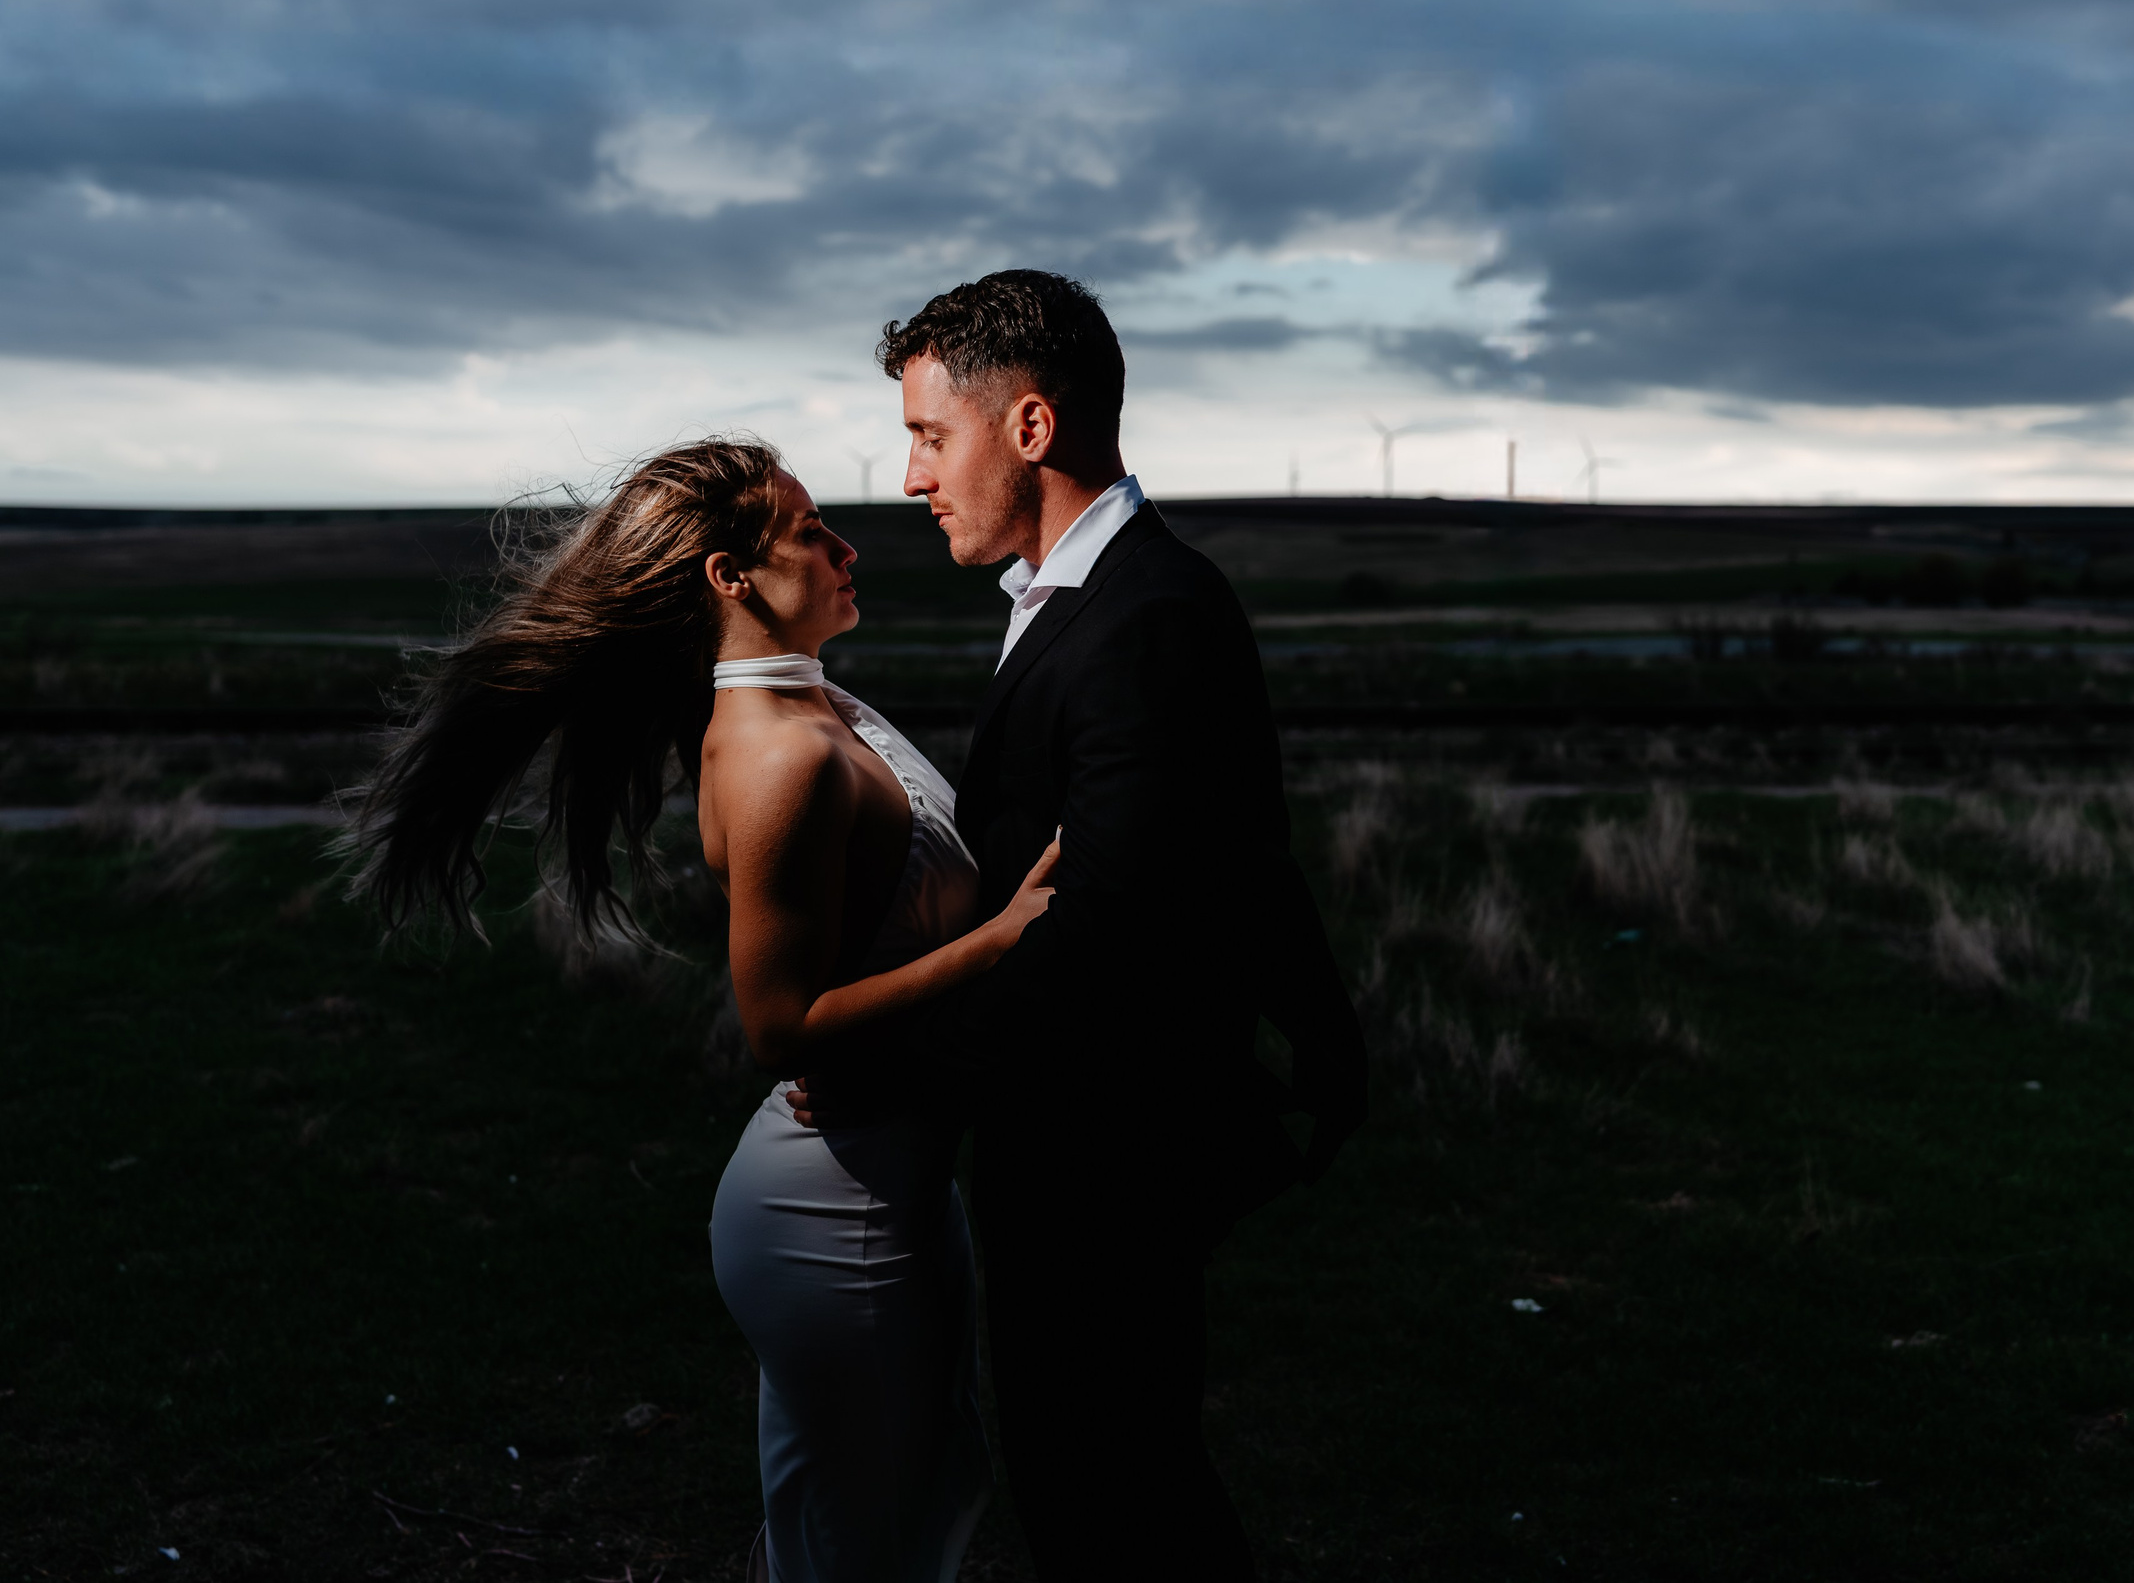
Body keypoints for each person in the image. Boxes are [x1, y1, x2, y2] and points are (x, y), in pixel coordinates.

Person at [345, 436, 1047, 1582]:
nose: (847, 543)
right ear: (731, 578)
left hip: (885, 1181)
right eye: (812, 530)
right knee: (866, 1541)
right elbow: (776, 1023)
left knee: (886, 1513)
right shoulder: (777, 757)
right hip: (838, 1214)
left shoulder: (816, 702)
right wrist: (996, 942)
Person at [790, 270, 1369, 1581]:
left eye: (931, 435)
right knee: (1108, 1482)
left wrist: (885, 1065)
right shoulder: (1085, 604)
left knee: (1112, 1494)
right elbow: (1246, 844)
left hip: (1105, 1151)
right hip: (1077, 1140)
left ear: (1032, 428)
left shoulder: (1144, 621)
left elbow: (1099, 926)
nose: (911, 476)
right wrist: (1330, 1033)